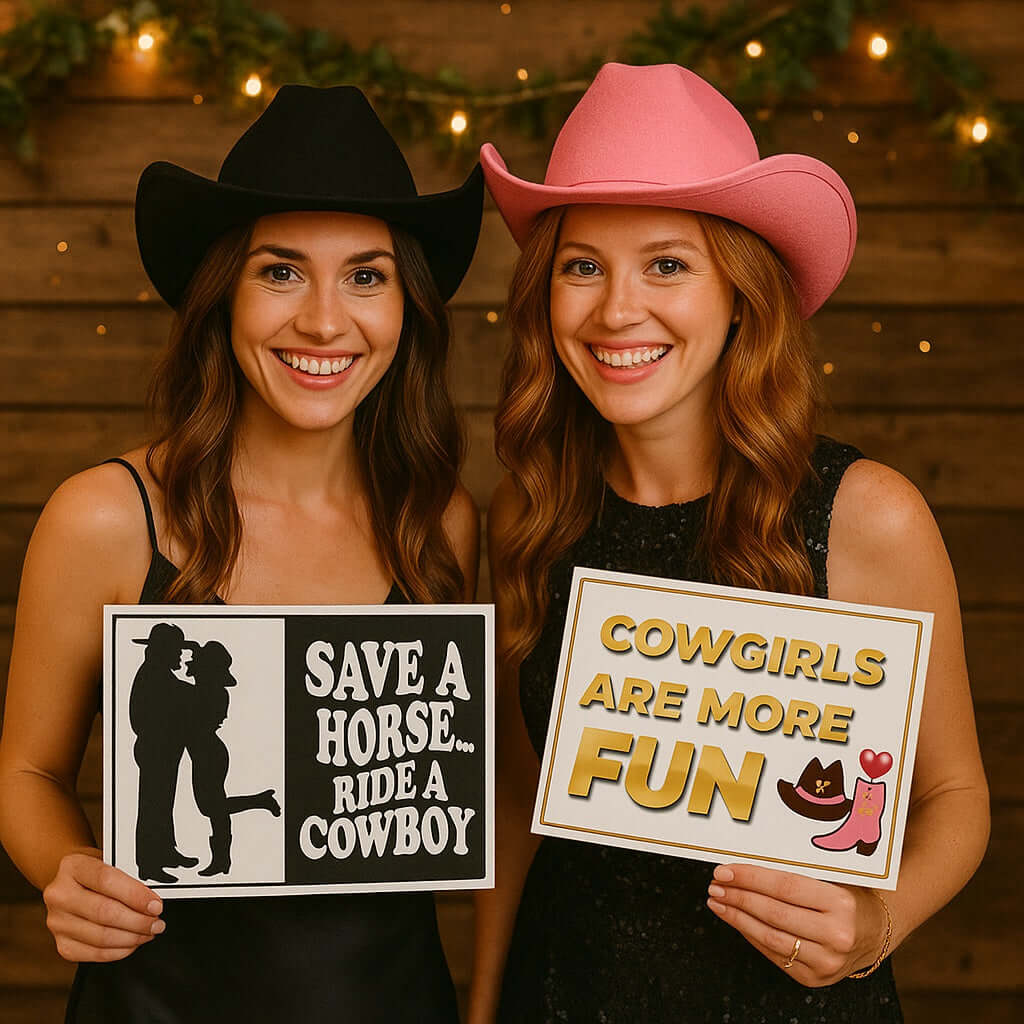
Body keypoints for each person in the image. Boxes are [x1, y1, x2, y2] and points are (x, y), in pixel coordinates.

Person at [468, 63, 989, 1023]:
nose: (617, 310)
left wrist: (874, 927)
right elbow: (516, 799)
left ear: (741, 295)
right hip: (565, 992)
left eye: (668, 265)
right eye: (583, 266)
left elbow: (954, 796)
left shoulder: (866, 514)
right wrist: (483, 1008)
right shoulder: (528, 512)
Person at [0, 84, 483, 1023]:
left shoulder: (440, 523)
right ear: (223, 292)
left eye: (367, 276)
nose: (325, 323)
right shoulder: (106, 518)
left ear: (408, 306)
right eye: (281, 272)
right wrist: (70, 869)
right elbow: (28, 774)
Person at [184, 640, 281, 878]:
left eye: (198, 665)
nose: (192, 667)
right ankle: (222, 860)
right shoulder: (202, 690)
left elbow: (201, 719)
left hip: (209, 753)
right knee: (215, 809)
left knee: (211, 808)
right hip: (206, 752)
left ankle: (222, 858)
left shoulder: (212, 694)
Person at [127, 623, 201, 882]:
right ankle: (149, 864)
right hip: (155, 751)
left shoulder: (158, 674)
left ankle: (166, 851)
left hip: (164, 750)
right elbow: (178, 696)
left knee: (163, 802)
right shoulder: (154, 676)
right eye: (176, 651)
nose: (180, 656)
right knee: (153, 804)